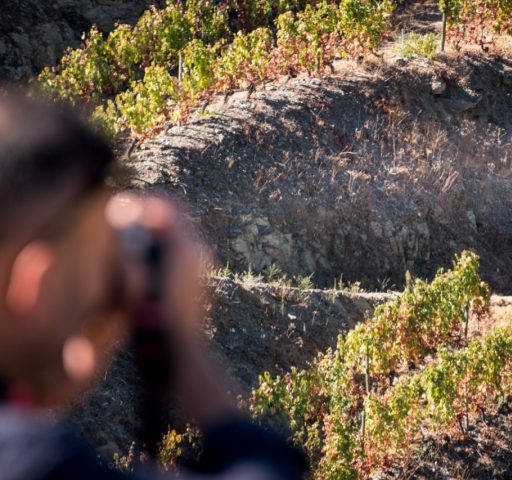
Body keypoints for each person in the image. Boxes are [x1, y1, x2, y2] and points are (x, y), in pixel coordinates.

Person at [0, 93, 307, 479]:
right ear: (38, 282)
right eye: (99, 264)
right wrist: (179, 340)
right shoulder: (35, 462)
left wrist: (55, 364)